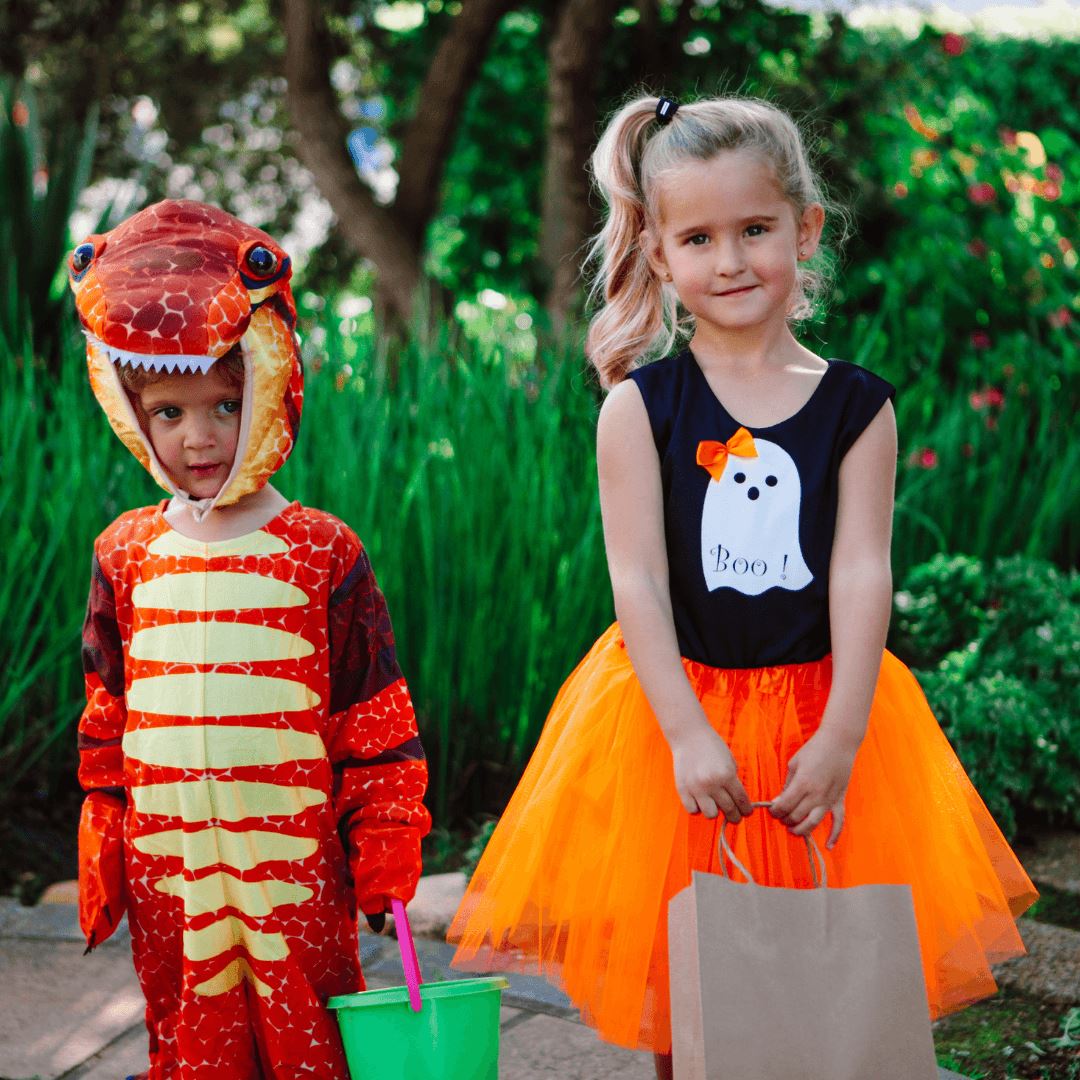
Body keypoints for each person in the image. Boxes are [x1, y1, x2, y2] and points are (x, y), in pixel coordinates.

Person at [447, 96, 1036, 1077]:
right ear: (658, 251)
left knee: (829, 983)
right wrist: (683, 731)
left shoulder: (857, 407)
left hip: (826, 712)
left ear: (804, 230)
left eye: (755, 230)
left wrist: (844, 733)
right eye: (699, 238)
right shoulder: (642, 410)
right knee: (701, 983)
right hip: (678, 719)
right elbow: (635, 579)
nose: (729, 261)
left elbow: (860, 569)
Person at [70, 199, 430, 1079]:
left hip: (297, 879)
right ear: (130, 410)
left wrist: (384, 841)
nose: (198, 436)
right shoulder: (124, 552)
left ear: (271, 387)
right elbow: (106, 709)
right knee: (187, 1045)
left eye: (227, 405)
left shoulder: (322, 548)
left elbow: (373, 712)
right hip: (172, 877)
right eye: (168, 411)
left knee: (313, 1049)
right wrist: (105, 829)